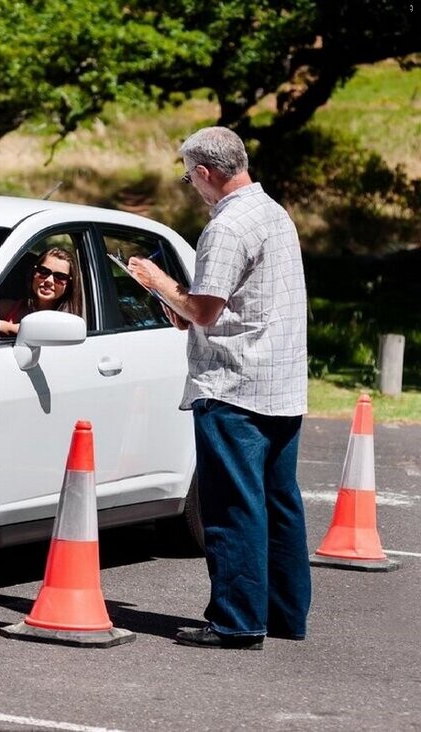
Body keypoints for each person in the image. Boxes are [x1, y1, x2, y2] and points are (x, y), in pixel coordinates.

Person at [126, 126, 310, 650]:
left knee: (232, 507)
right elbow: (230, 304)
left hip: (234, 383)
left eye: (189, 177)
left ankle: (236, 619)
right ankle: (284, 614)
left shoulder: (227, 227)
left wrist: (156, 280)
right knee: (278, 501)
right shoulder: (273, 212)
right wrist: (180, 304)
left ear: (206, 173)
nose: (191, 185)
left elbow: (204, 310)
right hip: (281, 380)